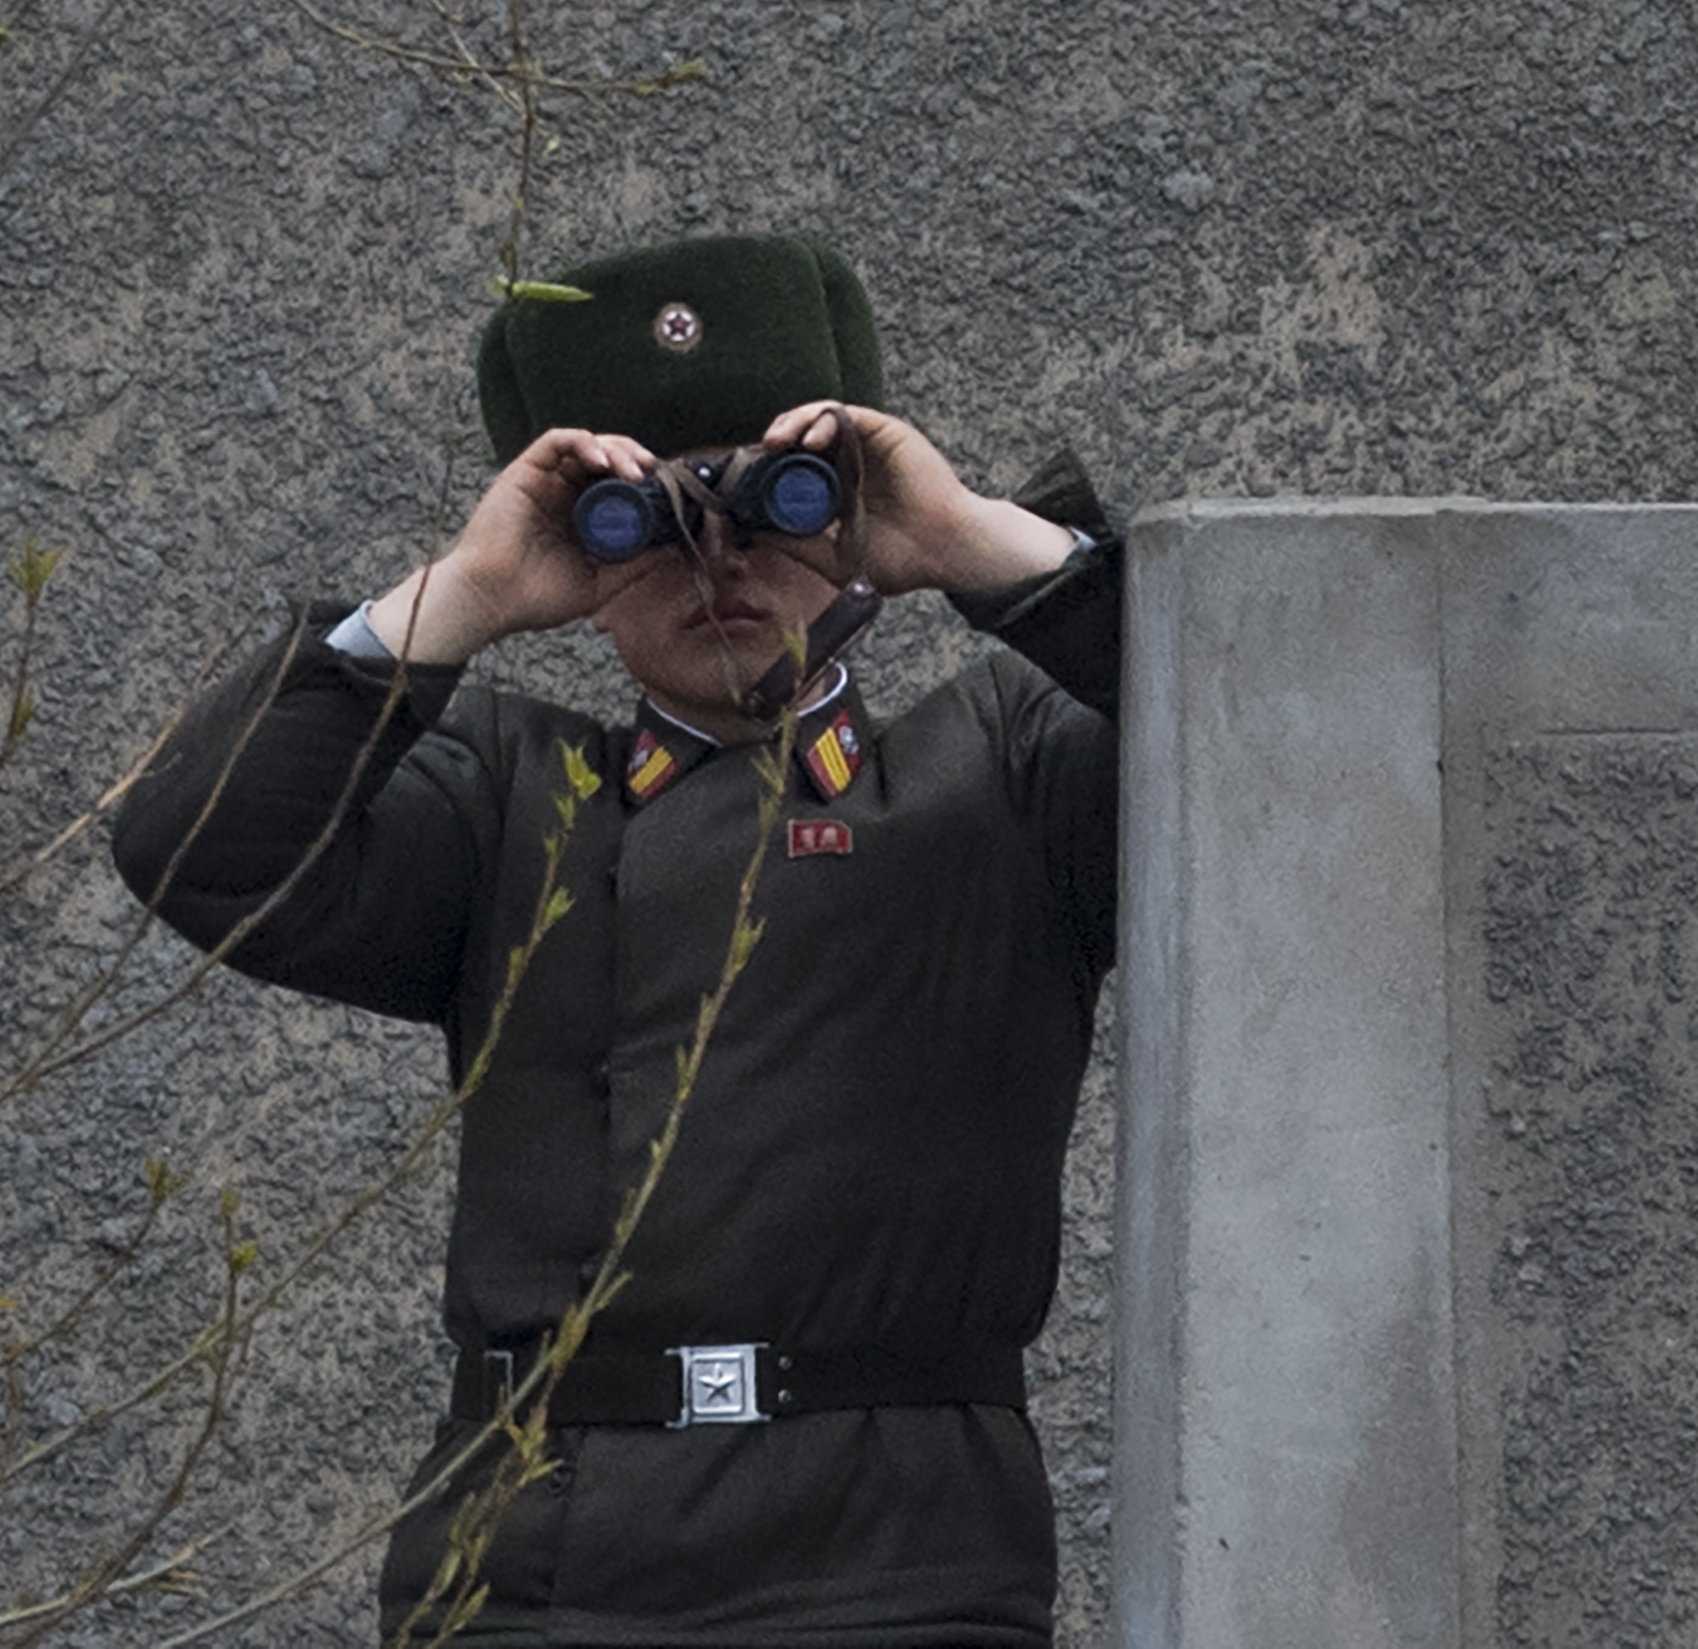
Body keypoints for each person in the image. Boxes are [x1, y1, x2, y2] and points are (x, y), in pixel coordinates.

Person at [111, 235, 1120, 1648]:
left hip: (903, 1567)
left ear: (847, 507)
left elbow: (1277, 738)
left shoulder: (1005, 777)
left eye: (776, 503)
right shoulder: (510, 801)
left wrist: (974, 541)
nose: (717, 558)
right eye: (637, 518)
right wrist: (464, 592)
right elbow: (194, 843)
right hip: (528, 1572)